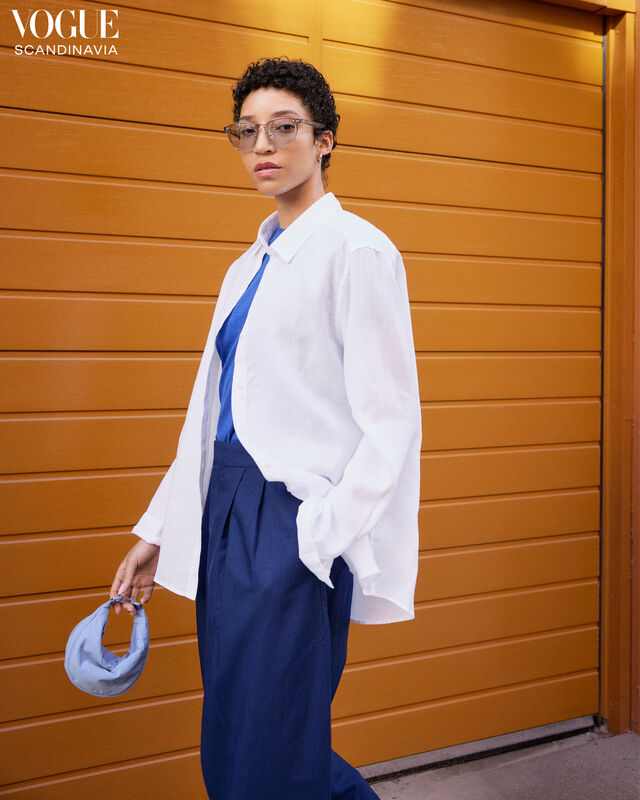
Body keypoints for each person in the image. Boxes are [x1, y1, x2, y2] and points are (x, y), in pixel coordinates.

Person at [110, 56, 422, 800]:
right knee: (233, 741)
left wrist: (317, 534)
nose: (263, 147)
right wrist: (158, 533)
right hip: (224, 513)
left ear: (325, 141)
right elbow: (207, 418)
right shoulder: (246, 267)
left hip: (289, 526)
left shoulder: (358, 252)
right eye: (247, 131)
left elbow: (393, 423)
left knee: (272, 752)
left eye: (284, 128)